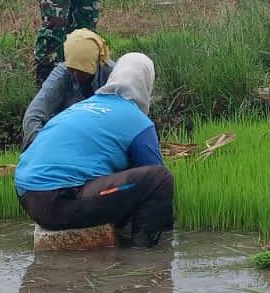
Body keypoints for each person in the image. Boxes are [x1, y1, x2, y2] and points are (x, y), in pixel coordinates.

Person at [13, 52, 172, 249]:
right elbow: (152, 177)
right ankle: (142, 252)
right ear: (146, 83)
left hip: (26, 194)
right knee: (160, 180)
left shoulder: (83, 106)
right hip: (57, 201)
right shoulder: (137, 121)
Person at [21, 28, 115, 150]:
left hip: (101, 138)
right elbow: (33, 116)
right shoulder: (62, 74)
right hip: (64, 139)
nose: (75, 75)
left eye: (82, 71)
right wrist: (42, 150)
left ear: (95, 64)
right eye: (72, 69)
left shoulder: (113, 75)